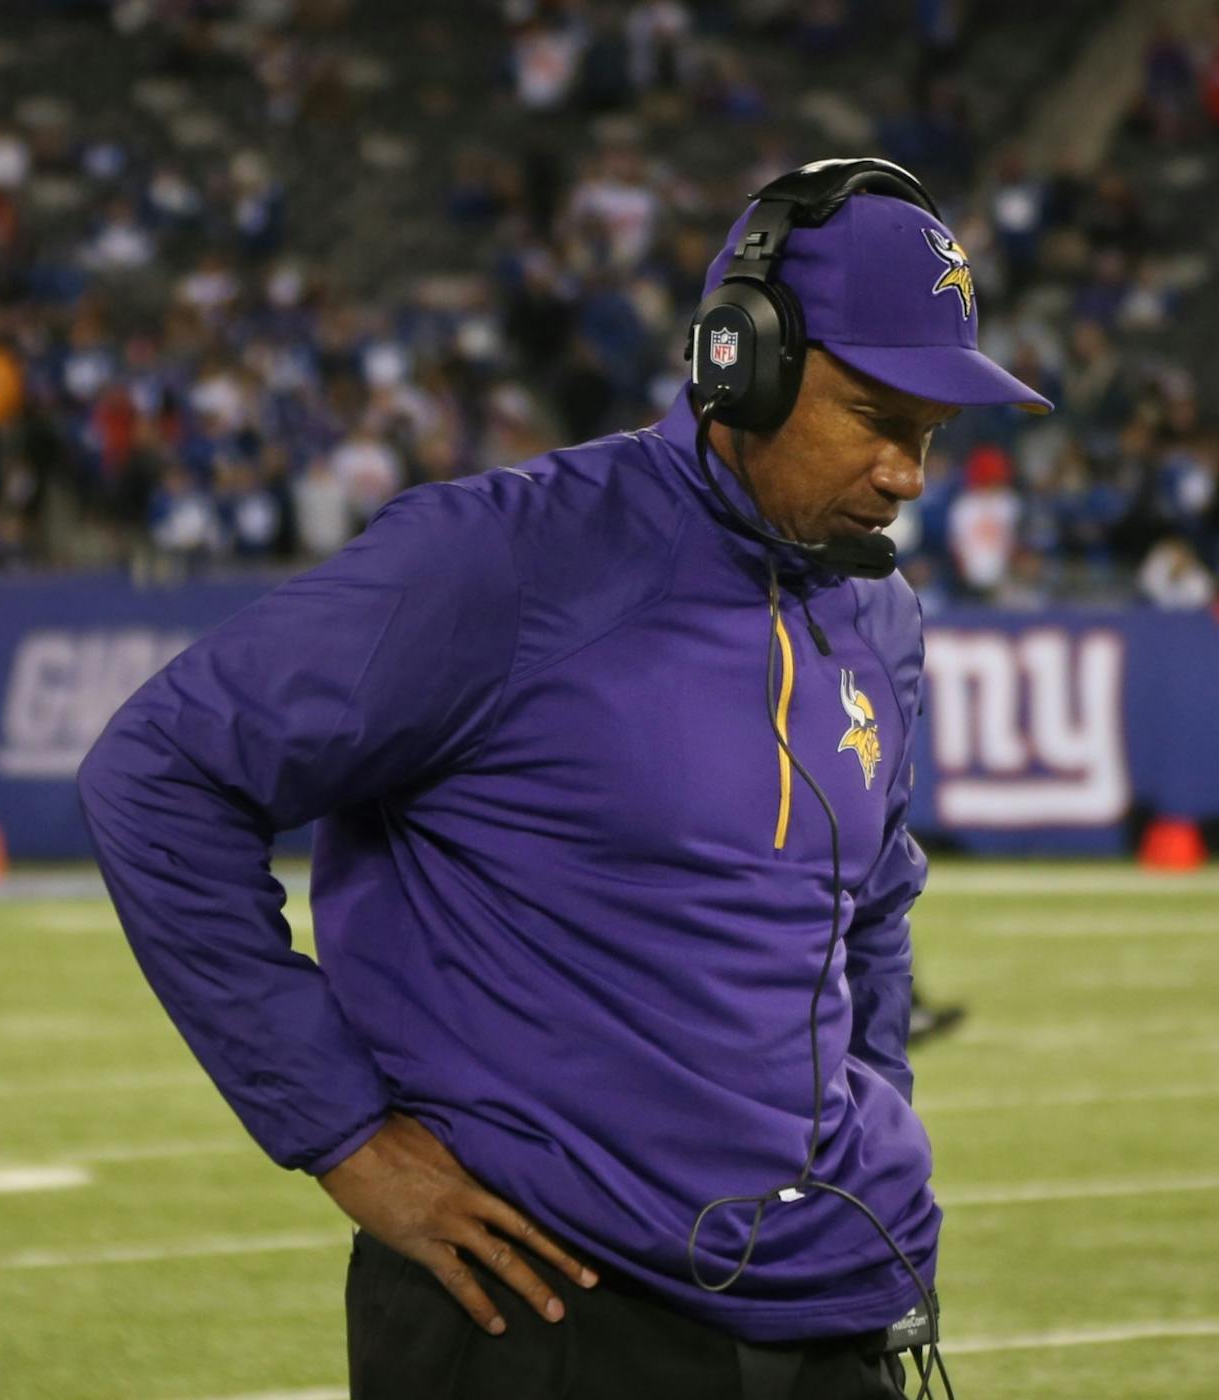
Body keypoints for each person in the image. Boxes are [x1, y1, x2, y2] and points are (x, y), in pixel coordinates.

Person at [79, 161, 1048, 1399]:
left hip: (831, 1311)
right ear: (739, 362)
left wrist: (874, 1152)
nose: (910, 473)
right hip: (555, 1311)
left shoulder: (879, 611)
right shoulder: (508, 560)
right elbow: (160, 769)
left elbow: (870, 910)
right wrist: (343, 1135)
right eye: (876, 416)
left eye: (932, 431)